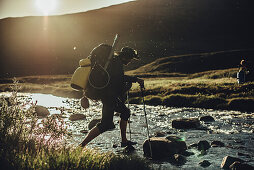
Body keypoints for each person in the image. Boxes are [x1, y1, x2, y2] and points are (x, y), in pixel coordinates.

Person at [79, 45, 144, 148]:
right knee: (105, 124)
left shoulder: (114, 62)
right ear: (126, 56)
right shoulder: (116, 63)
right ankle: (82, 145)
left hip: (109, 96)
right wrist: (133, 80)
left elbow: (116, 80)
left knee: (125, 112)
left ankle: (124, 141)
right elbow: (118, 80)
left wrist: (133, 80)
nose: (130, 61)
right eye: (130, 58)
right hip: (108, 97)